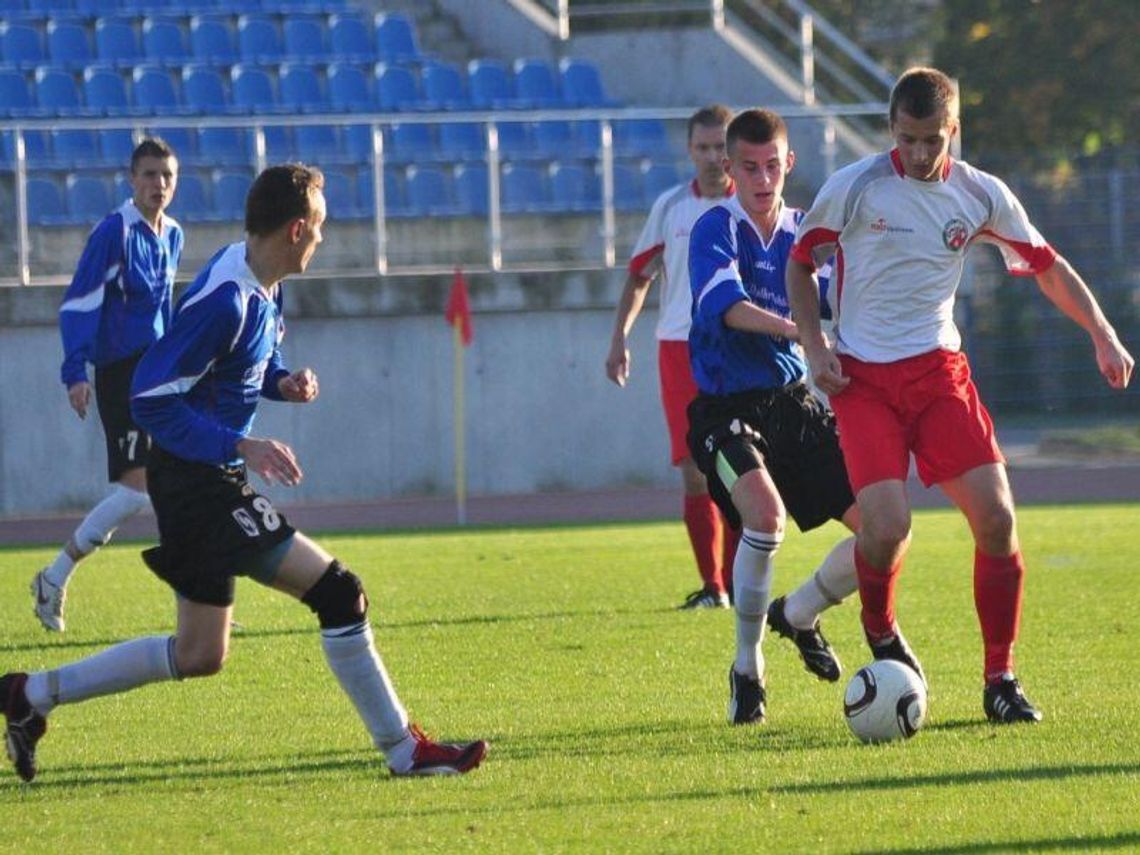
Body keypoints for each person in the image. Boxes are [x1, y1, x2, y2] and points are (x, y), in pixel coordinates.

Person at [2, 164, 487, 782]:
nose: (321, 239)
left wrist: (281, 381)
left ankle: (30, 695)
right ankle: (403, 750)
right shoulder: (227, 299)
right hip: (198, 481)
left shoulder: (258, 279)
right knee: (341, 593)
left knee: (201, 654)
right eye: (319, 228)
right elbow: (150, 397)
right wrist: (243, 444)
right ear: (294, 229)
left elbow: (244, 366)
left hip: (203, 475)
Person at [787, 67, 1135, 724]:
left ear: (954, 131)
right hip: (862, 380)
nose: (920, 154)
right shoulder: (857, 188)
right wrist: (815, 344)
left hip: (941, 376)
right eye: (909, 138)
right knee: (887, 527)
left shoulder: (980, 194)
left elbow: (1046, 264)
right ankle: (880, 627)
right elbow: (801, 262)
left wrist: (1102, 332)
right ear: (893, 128)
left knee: (999, 520)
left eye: (933, 140)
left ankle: (1000, 677)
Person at [687, 108, 863, 725]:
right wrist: (803, 332)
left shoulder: (806, 234)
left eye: (772, 166)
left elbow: (851, 299)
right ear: (728, 169)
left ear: (789, 164)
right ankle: (747, 666)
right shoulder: (715, 227)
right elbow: (727, 307)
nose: (762, 179)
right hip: (726, 410)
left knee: (883, 533)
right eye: (748, 167)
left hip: (795, 407)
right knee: (765, 517)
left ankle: (801, 612)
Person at [31, 138, 183, 633]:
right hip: (121, 373)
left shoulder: (173, 234)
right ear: (131, 179)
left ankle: (200, 601)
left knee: (178, 485)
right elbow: (79, 303)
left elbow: (163, 311)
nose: (158, 184)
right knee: (138, 492)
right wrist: (75, 371)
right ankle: (53, 578)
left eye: (166, 176)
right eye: (149, 175)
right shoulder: (114, 233)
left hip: (156, 373)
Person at [605, 104, 741, 610]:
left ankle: (734, 579)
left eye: (721, 147)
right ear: (690, 150)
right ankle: (714, 587)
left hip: (734, 345)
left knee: (736, 467)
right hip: (678, 348)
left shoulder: (750, 203)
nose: (713, 158)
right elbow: (640, 275)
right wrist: (620, 337)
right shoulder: (670, 207)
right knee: (693, 469)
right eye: (704, 148)